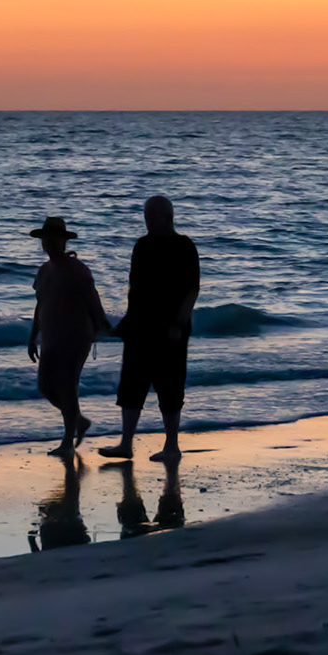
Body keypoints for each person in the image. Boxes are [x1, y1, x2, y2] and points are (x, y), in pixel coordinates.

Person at [98, 196, 199, 462]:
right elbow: (135, 289)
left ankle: (172, 446)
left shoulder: (184, 246)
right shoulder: (141, 246)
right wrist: (125, 323)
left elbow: (192, 289)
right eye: (146, 216)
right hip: (140, 326)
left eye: (152, 216)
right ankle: (126, 443)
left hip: (171, 329)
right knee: (131, 386)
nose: (147, 221)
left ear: (167, 217)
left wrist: (179, 322)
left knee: (170, 386)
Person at [25, 215, 109, 455]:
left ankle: (67, 442)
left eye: (55, 238)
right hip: (51, 337)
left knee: (67, 387)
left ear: (64, 241)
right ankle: (79, 422)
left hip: (76, 336)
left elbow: (94, 301)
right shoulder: (44, 271)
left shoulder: (77, 270)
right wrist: (33, 337)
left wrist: (104, 327)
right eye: (46, 239)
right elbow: (40, 306)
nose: (49, 243)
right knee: (45, 387)